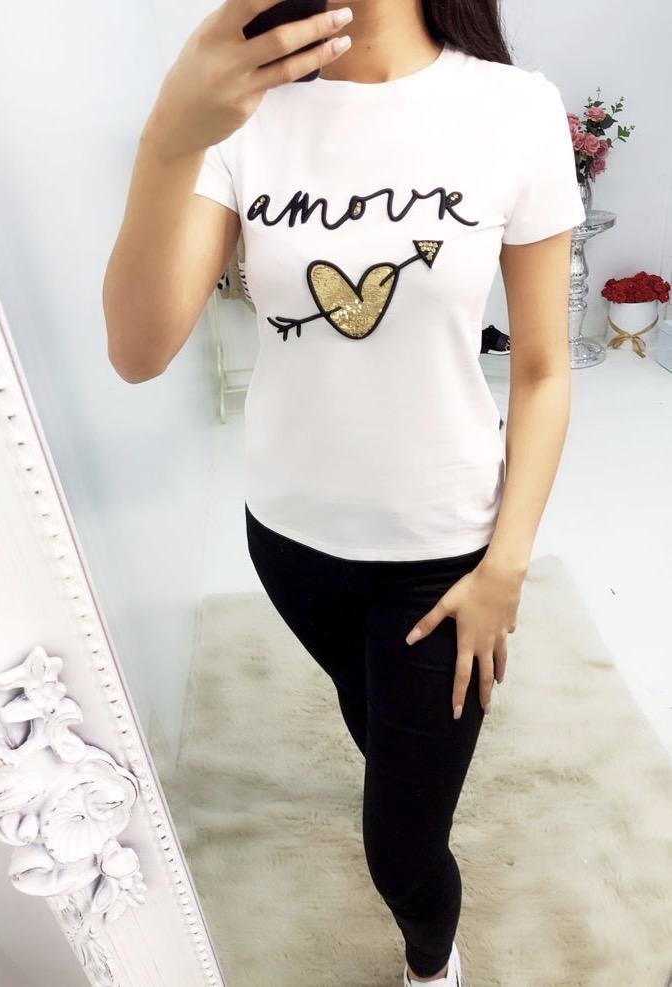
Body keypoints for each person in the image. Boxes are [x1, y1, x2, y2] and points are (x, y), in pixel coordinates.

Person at [102, 2, 586, 983]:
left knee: (401, 848)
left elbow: (542, 367)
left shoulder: (513, 109)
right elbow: (138, 350)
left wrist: (506, 566)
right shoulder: (245, 112)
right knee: (372, 718)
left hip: (442, 556)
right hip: (288, 540)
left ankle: (431, 964)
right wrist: (169, 131)